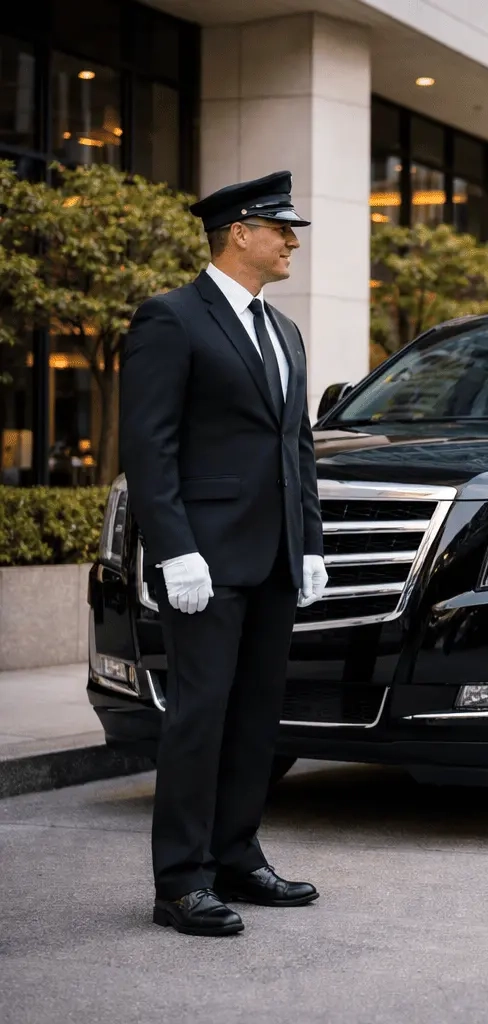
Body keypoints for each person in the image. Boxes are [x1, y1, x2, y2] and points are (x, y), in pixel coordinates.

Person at [120, 171, 328, 936]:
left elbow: (297, 447)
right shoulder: (171, 318)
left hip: (273, 559)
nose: (292, 242)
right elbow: (149, 446)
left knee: (255, 717)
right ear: (239, 233)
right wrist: (174, 550)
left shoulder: (284, 331)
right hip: (204, 562)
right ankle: (181, 882)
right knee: (199, 718)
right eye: (281, 228)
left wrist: (310, 543)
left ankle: (237, 856)